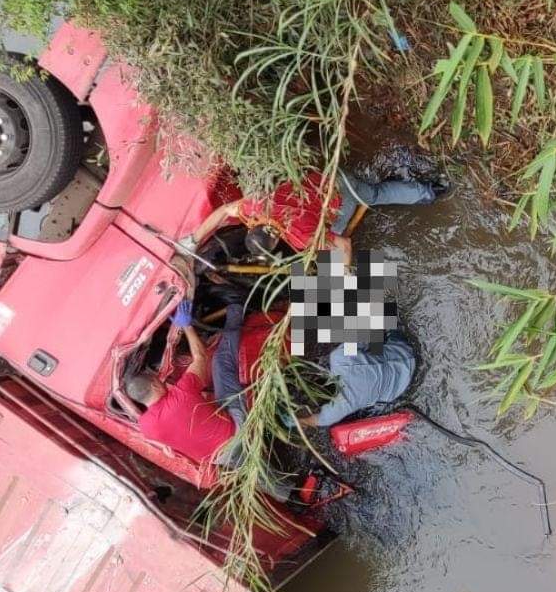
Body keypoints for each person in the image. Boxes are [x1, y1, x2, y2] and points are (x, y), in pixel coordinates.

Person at [187, 168, 447, 263]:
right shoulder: (254, 206)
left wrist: (345, 273)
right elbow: (222, 211)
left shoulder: (301, 238)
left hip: (343, 194)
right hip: (329, 173)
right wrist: (194, 239)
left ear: (276, 241)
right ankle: (414, 185)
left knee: (375, 196)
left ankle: (428, 192)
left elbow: (343, 244)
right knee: (368, 190)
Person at [127, 301, 236, 463]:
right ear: (154, 384)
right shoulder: (182, 394)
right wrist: (186, 326)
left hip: (219, 460)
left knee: (207, 396)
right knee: (221, 363)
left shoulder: (145, 427)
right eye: (160, 380)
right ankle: (237, 312)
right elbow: (201, 356)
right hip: (236, 437)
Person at [295, 330, 417, 428]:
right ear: (314, 376)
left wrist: (295, 419)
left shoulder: (336, 410)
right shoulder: (339, 359)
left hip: (401, 391)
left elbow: (313, 421)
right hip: (405, 352)